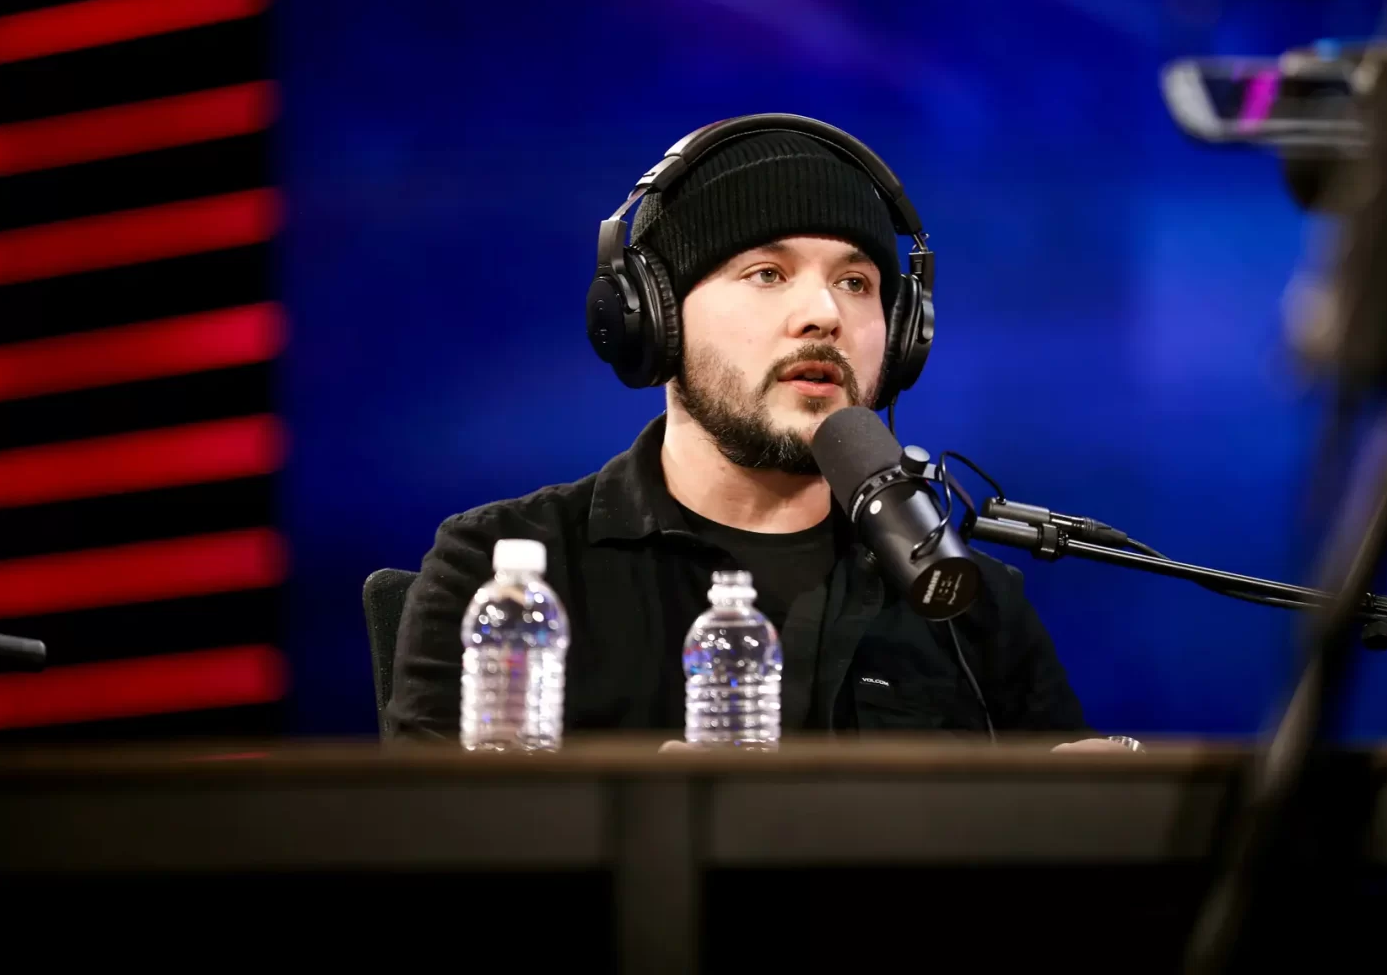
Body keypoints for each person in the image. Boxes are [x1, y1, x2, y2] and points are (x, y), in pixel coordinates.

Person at [387, 117, 1116, 750]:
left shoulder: (970, 603)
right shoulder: (507, 572)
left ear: (902, 340)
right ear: (654, 320)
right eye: (768, 273)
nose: (823, 314)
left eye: (856, 283)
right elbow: (435, 845)